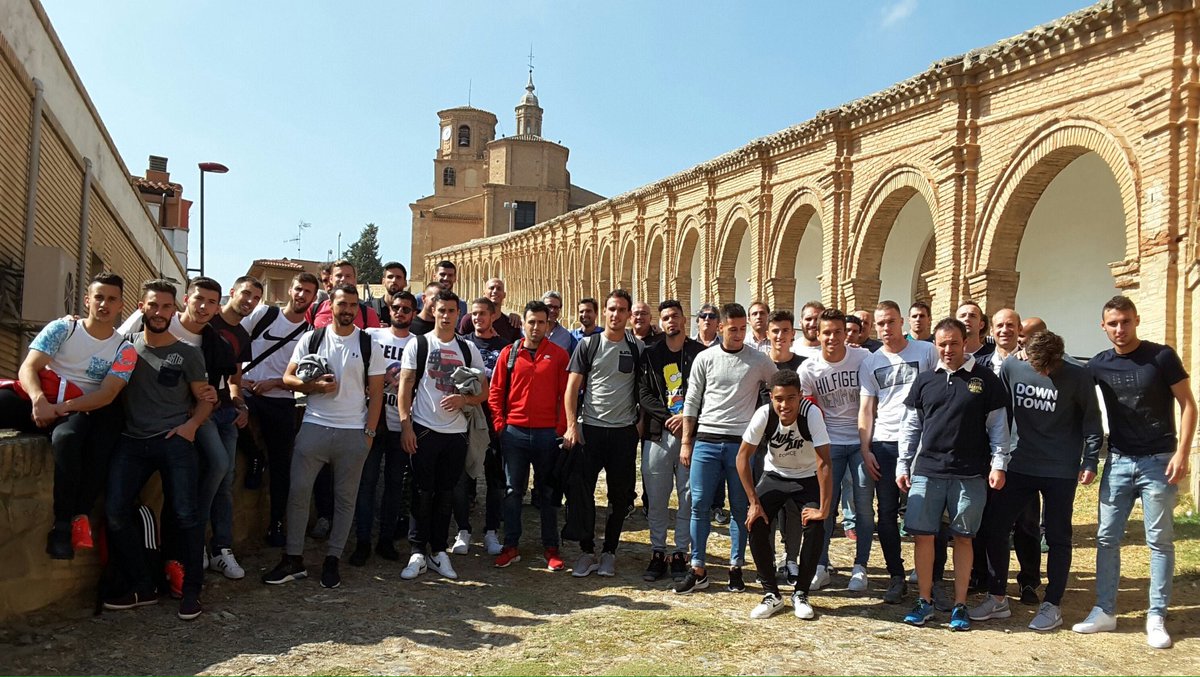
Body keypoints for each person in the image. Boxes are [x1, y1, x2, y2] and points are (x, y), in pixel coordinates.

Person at [1073, 296, 1196, 649]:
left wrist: (1183, 453)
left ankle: (1155, 616)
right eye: (1113, 323)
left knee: (1159, 541)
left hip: (1159, 460)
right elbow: (1071, 384)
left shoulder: (1161, 357)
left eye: (1126, 321)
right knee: (1106, 537)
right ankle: (1105, 611)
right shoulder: (1099, 364)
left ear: (1136, 320)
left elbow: (1188, 405)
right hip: (1120, 461)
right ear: (1103, 326)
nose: (1120, 329)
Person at [970, 330, 1102, 631]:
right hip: (1018, 464)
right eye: (1036, 364)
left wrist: (1090, 460)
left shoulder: (1078, 375)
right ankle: (997, 596)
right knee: (995, 527)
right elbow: (1000, 414)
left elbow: (1092, 423)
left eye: (1048, 367)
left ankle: (1052, 603)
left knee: (1057, 536)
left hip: (1060, 469)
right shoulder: (1013, 367)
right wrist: (996, 457)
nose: (1042, 371)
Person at [0, 272, 135, 559]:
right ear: (87, 300)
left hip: (76, 409)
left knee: (68, 438)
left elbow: (108, 394)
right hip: (37, 397)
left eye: (111, 299)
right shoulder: (64, 328)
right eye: (99, 297)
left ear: (121, 305)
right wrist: (38, 401)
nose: (104, 304)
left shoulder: (125, 350)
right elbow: (28, 368)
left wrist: (62, 409)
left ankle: (62, 527)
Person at [262, 284, 386, 589]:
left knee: (345, 500)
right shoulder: (312, 338)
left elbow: (378, 394)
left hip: (353, 432)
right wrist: (313, 388)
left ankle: (333, 560)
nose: (347, 310)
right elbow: (289, 378)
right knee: (299, 493)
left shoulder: (370, 344)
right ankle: (293, 559)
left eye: (353, 305)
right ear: (330, 306)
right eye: (342, 304)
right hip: (314, 426)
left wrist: (368, 434)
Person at [102, 279, 212, 620]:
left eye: (166, 307)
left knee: (186, 515)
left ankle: (191, 590)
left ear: (174, 310)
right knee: (115, 512)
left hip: (174, 441)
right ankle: (143, 586)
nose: (160, 312)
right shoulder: (125, 348)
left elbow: (204, 399)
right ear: (141, 308)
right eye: (153, 306)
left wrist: (190, 428)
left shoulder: (189, 353)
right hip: (132, 442)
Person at [897, 318, 1010, 632]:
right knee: (923, 537)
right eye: (942, 343)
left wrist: (998, 464)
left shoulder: (985, 379)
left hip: (969, 474)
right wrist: (903, 465)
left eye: (954, 343)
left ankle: (960, 605)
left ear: (966, 342)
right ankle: (925, 601)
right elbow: (910, 428)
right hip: (928, 471)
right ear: (935, 344)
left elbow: (999, 430)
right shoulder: (924, 381)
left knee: (963, 537)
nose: (948, 349)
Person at [676, 303, 776, 594]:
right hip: (706, 440)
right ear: (719, 328)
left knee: (740, 507)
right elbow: (692, 401)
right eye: (733, 329)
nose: (739, 334)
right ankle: (698, 567)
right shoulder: (705, 358)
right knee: (698, 504)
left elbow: (778, 387)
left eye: (743, 329)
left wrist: (766, 422)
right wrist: (686, 441)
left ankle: (735, 566)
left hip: (741, 444)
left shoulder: (758, 360)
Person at [397, 290, 486, 581]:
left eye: (451, 311)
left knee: (446, 494)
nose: (446, 316)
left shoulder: (468, 348)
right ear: (432, 310)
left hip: (456, 432)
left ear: (458, 314)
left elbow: (483, 392)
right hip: (424, 428)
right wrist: (406, 426)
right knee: (421, 492)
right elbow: (405, 387)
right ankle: (417, 551)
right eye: (441, 310)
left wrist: (465, 401)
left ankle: (438, 551)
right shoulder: (418, 344)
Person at [858, 300, 938, 605]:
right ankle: (896, 576)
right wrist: (866, 449)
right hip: (886, 443)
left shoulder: (925, 352)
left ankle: (932, 577)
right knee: (887, 514)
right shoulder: (871, 362)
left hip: (922, 442)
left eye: (891, 322)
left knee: (928, 513)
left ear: (901, 321)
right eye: (880, 324)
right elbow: (867, 409)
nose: (886, 329)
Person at [740, 369, 832, 620]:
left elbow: (824, 462)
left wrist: (824, 509)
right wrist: (753, 503)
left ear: (800, 396)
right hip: (775, 475)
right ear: (771, 397)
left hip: (806, 477)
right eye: (779, 399)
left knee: (815, 524)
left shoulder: (811, 414)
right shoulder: (764, 414)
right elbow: (742, 457)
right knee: (755, 521)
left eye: (791, 398)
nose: (785, 405)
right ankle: (771, 594)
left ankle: (801, 593)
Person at [563, 290, 643, 577]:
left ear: (629, 315)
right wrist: (573, 425)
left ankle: (609, 551)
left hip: (623, 432)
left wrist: (640, 423)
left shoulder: (637, 347)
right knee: (581, 492)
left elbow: (645, 389)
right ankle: (587, 551)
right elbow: (571, 389)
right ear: (604, 312)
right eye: (611, 308)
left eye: (622, 309)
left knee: (619, 496)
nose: (615, 314)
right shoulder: (588, 344)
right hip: (591, 430)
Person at [490, 300, 570, 570]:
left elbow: (565, 396)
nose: (536, 327)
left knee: (547, 493)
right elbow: (496, 392)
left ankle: (551, 547)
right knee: (513, 491)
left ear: (549, 325)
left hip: (548, 434)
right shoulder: (509, 354)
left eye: (541, 322)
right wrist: (501, 426)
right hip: (515, 433)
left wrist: (560, 429)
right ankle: (511, 545)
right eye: (531, 322)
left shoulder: (559, 355)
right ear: (523, 324)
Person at [241, 272, 319, 547]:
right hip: (247, 391)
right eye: (299, 289)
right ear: (291, 289)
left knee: (282, 464)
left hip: (281, 398)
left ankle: (276, 524)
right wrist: (238, 380)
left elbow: (304, 377)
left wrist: (275, 382)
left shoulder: (309, 335)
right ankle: (253, 458)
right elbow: (235, 346)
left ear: (313, 298)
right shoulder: (263, 315)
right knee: (233, 419)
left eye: (308, 292)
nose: (301, 295)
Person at [799, 310, 873, 593]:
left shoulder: (863, 358)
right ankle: (821, 565)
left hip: (859, 442)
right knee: (825, 508)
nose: (832, 337)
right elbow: (805, 409)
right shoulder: (809, 368)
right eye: (826, 332)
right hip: (829, 445)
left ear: (847, 333)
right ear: (818, 334)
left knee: (864, 506)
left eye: (837, 332)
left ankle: (860, 566)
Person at [349, 290, 418, 566]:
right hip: (372, 420)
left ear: (413, 313)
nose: (400, 313)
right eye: (397, 308)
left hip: (400, 423)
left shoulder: (419, 344)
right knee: (366, 483)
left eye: (406, 309)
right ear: (389, 310)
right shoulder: (372, 337)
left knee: (394, 485)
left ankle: (386, 539)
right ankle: (363, 541)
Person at [637, 300, 705, 582]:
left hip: (691, 435)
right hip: (659, 433)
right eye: (665, 318)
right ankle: (657, 550)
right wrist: (668, 417)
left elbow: (707, 393)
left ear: (684, 320)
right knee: (657, 496)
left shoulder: (699, 354)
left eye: (675, 316)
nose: (671, 322)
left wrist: (687, 419)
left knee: (688, 495)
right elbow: (644, 393)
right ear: (661, 322)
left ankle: (680, 551)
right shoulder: (651, 354)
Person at [203, 275, 264, 580]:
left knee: (225, 479)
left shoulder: (241, 335)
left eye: (255, 298)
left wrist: (240, 405)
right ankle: (194, 546)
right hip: (196, 414)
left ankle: (221, 548)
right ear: (232, 292)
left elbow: (235, 381)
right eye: (246, 294)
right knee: (204, 475)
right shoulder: (206, 320)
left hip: (226, 414)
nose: (249, 301)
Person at [450, 297, 509, 556]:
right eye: (473, 314)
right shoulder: (462, 345)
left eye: (482, 314)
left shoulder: (506, 348)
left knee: (495, 479)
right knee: (461, 477)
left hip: (493, 420)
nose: (477, 318)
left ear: (493, 315)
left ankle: (491, 531)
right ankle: (463, 529)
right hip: (465, 419)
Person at [305, 260, 382, 330]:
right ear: (331, 279)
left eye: (348, 276)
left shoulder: (369, 314)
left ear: (355, 279)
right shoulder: (313, 310)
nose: (343, 279)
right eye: (339, 276)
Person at [456, 278, 521, 341]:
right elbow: (460, 344)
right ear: (484, 293)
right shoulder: (469, 320)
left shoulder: (512, 323)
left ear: (504, 295)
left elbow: (516, 349)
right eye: (491, 288)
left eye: (499, 289)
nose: (495, 291)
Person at [365, 261, 408, 327]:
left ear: (405, 283)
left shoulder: (410, 311)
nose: (394, 280)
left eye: (398, 277)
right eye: (390, 277)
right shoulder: (369, 308)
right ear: (383, 281)